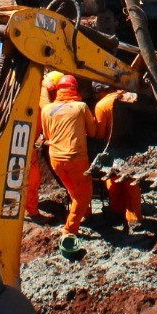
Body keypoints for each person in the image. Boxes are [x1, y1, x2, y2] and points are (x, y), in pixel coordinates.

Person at [40, 75, 98, 241]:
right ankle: (70, 229)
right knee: (84, 195)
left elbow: (47, 135)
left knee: (73, 189)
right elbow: (93, 132)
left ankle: (83, 214)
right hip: (76, 158)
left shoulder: (46, 110)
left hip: (55, 159)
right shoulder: (80, 107)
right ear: (75, 90)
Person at [89, 82, 146, 235]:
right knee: (131, 182)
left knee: (112, 180)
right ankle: (134, 218)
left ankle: (117, 211)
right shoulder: (128, 96)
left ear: (99, 92)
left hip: (114, 147)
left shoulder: (102, 105)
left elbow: (100, 134)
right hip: (133, 144)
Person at [25, 71, 67, 222]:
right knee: (32, 178)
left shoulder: (37, 90)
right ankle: (31, 212)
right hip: (25, 144)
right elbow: (48, 111)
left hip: (30, 142)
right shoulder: (43, 100)